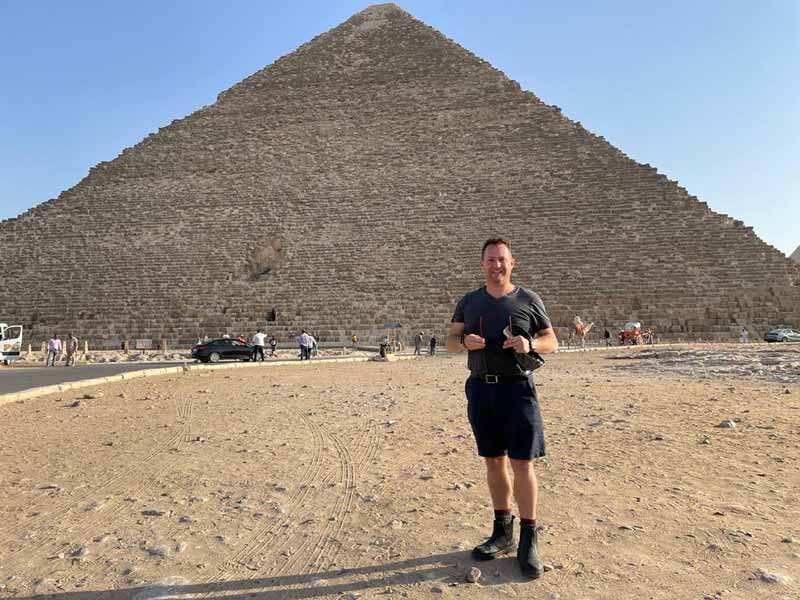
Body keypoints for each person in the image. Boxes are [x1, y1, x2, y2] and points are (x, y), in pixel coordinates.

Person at [446, 238, 558, 580]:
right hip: (481, 388)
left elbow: (551, 341)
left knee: (522, 463)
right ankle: (502, 530)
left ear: (512, 263)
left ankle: (528, 538)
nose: (496, 265)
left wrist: (531, 343)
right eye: (490, 260)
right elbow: (451, 341)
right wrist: (464, 342)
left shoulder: (529, 299)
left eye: (502, 260)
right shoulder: (469, 302)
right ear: (482, 264)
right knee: (493, 460)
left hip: (517, 389)